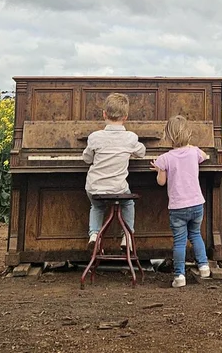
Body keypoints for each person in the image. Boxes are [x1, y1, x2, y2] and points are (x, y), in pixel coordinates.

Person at [82, 93, 146, 249]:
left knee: (97, 206)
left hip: (95, 186)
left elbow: (87, 159)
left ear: (104, 114)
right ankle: (127, 236)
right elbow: (142, 152)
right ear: (125, 117)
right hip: (118, 187)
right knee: (128, 203)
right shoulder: (130, 138)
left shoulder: (94, 137)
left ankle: (94, 234)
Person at [152, 115, 210, 288]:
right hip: (197, 204)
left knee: (179, 241)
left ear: (168, 136)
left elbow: (161, 182)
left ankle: (179, 276)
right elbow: (204, 156)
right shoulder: (195, 152)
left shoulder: (165, 158)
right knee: (196, 235)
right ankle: (204, 266)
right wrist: (193, 148)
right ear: (188, 134)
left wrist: (158, 169)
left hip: (178, 208)